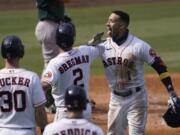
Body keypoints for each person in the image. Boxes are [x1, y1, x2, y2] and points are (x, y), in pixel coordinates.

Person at [96, 10, 180, 135]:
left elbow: (160, 66)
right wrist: (88, 45)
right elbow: (76, 57)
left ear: (122, 26)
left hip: (136, 99)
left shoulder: (139, 46)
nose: (107, 24)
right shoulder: (102, 46)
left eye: (111, 21)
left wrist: (171, 92)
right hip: (116, 99)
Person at [41, 22, 105, 121]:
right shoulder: (86, 51)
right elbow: (101, 48)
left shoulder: (55, 63)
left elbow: (44, 85)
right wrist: (92, 44)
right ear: (73, 38)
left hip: (65, 113)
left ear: (56, 40)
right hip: (85, 109)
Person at [0, 35, 48, 135]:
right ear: (20, 52)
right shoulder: (31, 77)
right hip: (26, 132)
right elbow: (40, 111)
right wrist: (44, 131)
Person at [35, 0, 71, 113]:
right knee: (51, 63)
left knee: (56, 62)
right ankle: (46, 101)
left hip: (51, 24)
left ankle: (51, 99)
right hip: (48, 26)